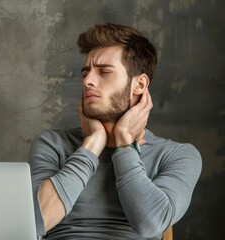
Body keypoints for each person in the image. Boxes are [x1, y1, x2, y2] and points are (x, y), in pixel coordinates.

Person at [28, 23, 202, 240]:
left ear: (139, 84)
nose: (87, 81)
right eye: (86, 72)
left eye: (104, 72)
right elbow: (32, 224)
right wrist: (92, 145)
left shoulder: (177, 155)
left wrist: (124, 145)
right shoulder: (52, 143)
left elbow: (150, 224)